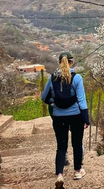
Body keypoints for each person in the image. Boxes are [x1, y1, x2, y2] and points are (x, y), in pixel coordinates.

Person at [41, 51, 90, 188]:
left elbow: (44, 97)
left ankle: (59, 175)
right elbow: (82, 100)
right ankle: (78, 171)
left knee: (61, 147)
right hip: (76, 116)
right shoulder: (77, 78)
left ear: (59, 62)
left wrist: (53, 101)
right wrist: (86, 118)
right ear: (71, 62)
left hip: (58, 117)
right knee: (76, 143)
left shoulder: (52, 78)